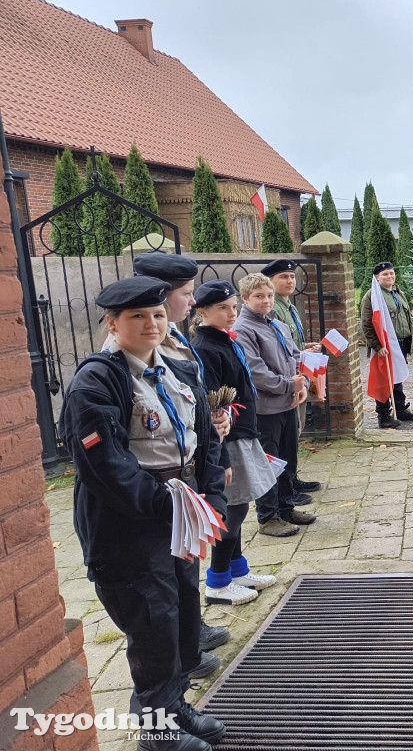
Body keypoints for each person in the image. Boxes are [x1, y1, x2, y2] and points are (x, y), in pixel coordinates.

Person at [59, 276, 227, 751]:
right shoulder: (98, 379)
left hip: (181, 514)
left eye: (156, 315)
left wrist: (208, 497)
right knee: (152, 623)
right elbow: (104, 465)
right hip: (131, 524)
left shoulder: (176, 369)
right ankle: (157, 733)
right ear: (113, 323)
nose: (151, 324)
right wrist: (165, 506)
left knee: (181, 618)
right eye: (137, 317)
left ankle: (176, 708)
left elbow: (204, 442)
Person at [109, 254, 231, 669]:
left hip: (190, 472)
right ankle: (174, 671)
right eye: (186, 293)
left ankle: (189, 642)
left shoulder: (173, 340)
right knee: (160, 593)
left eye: (161, 312)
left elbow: (193, 404)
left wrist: (214, 437)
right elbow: (117, 450)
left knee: (183, 572)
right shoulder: (123, 360)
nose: (192, 299)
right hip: (156, 491)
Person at [191, 281, 278, 605]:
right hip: (228, 439)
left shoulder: (224, 340)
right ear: (202, 312)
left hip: (243, 432)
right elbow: (212, 404)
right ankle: (217, 582)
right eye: (222, 308)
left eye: (233, 307)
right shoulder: (205, 347)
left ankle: (237, 570)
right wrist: (221, 457)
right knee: (232, 509)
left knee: (239, 504)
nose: (231, 313)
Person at [232, 273, 316, 537]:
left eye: (268, 295)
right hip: (265, 408)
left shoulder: (276, 324)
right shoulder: (243, 329)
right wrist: (291, 384)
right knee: (269, 463)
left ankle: (286, 507)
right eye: (258, 296)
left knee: (288, 459)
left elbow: (294, 356)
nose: (266, 300)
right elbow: (256, 373)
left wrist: (304, 383)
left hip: (288, 403)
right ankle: (268, 517)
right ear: (245, 299)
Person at [261, 258, 322, 495]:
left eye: (292, 276)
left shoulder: (290, 306)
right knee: (287, 433)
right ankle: (286, 484)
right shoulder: (273, 308)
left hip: (298, 373)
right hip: (284, 376)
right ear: (271, 281)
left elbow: (289, 341)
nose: (289, 281)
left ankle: (292, 477)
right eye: (283, 277)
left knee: (296, 428)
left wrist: (304, 346)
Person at [359, 261, 413, 429]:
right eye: (385, 274)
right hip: (384, 346)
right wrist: (377, 347)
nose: (390, 276)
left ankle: (400, 409)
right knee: (384, 379)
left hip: (400, 342)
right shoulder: (373, 296)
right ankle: (384, 415)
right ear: (377, 277)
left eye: (391, 273)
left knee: (397, 377)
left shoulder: (397, 291)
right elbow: (367, 324)